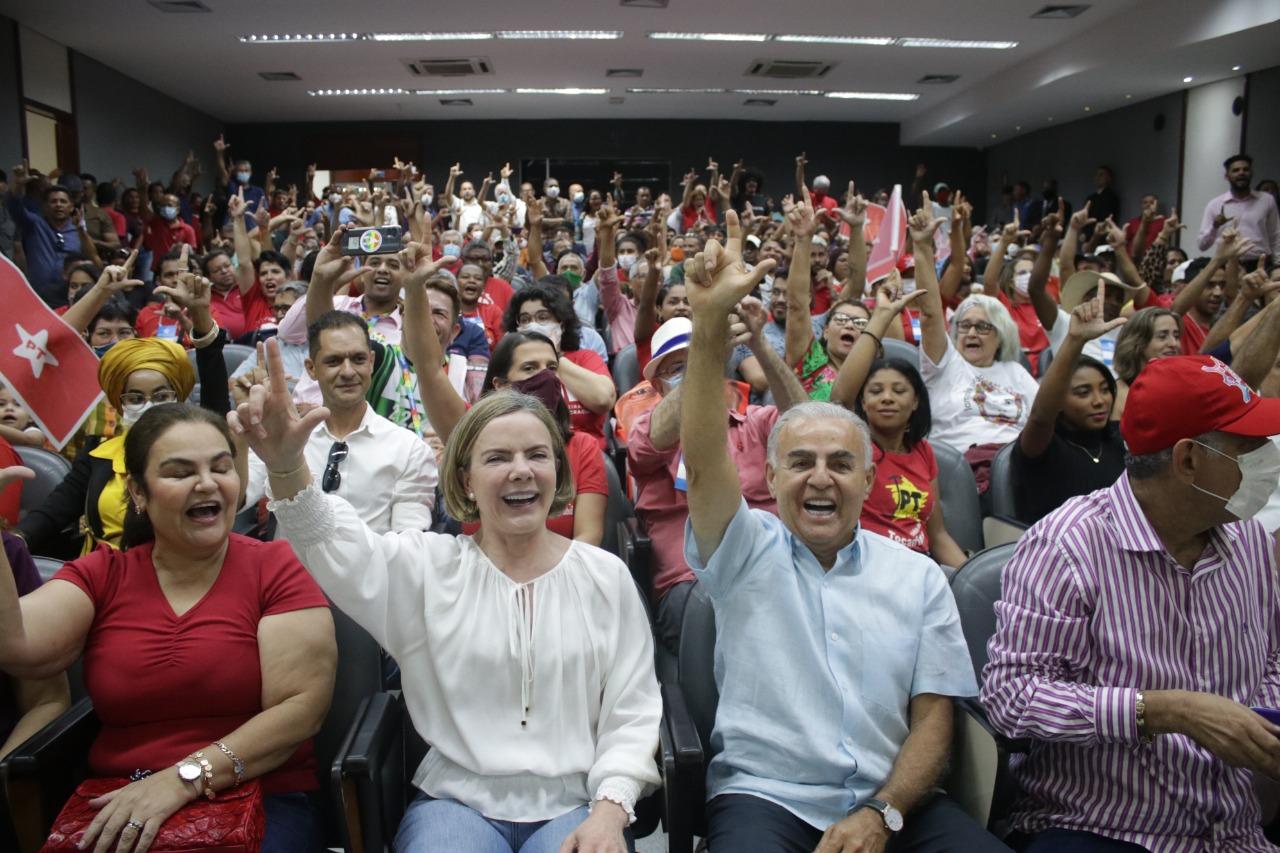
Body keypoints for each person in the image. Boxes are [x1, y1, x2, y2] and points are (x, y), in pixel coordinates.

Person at [232, 337, 662, 853]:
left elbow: (632, 710)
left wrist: (610, 813)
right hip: (455, 804)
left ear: (558, 471)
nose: (521, 470)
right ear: (467, 478)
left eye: (537, 455)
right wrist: (285, 466)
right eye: (498, 457)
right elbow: (331, 540)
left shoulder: (604, 577)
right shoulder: (428, 568)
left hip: (576, 804)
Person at [677, 211, 1007, 853]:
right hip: (766, 798)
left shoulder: (917, 578)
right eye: (800, 462)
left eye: (840, 463)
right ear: (770, 478)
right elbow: (705, 448)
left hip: (895, 802)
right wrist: (710, 325)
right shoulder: (744, 549)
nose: (820, 478)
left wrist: (884, 812)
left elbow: (935, 715)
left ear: (867, 479)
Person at [0, 404, 335, 853]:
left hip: (261, 795)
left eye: (220, 467)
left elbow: (301, 708)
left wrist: (182, 779)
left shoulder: (275, 567)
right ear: (139, 493)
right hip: (122, 799)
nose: (206, 483)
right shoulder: (103, 573)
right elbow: (18, 645)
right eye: (180, 472)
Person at [983, 355, 1280, 852]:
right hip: (1103, 823)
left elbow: (1272, 652)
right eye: (1249, 449)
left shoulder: (1248, 538)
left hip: (1235, 826)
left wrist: (1265, 726)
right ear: (1187, 461)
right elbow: (1011, 698)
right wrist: (1163, 711)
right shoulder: (1069, 545)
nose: (1268, 459)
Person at [18, 272, 237, 557]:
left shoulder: (202, 447)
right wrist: (17, 540)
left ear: (179, 398)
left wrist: (200, 315)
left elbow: (216, 397)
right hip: (102, 575)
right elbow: (54, 511)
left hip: (178, 576)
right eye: (135, 398)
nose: (147, 405)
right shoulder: (100, 451)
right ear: (120, 404)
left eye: (161, 396)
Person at [630, 304, 808, 653]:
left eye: (699, 360)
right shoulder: (649, 426)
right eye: (679, 368)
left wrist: (759, 345)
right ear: (657, 384)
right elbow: (652, 442)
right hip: (693, 586)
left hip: (775, 568)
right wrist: (706, 353)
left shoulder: (755, 420)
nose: (695, 371)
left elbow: (807, 423)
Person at [245, 311, 437, 535]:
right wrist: (245, 431)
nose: (347, 372)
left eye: (358, 359)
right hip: (289, 569)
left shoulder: (409, 449)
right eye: (333, 361)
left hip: (372, 569)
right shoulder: (285, 436)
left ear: (372, 362)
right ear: (311, 368)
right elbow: (239, 495)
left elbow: (410, 544)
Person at [829, 274, 969, 569]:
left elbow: (939, 535)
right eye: (876, 391)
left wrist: (968, 579)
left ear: (916, 401)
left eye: (899, 390)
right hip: (867, 567)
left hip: (922, 570)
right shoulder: (855, 444)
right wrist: (880, 317)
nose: (887, 398)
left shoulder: (924, 452)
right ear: (863, 403)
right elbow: (841, 398)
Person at [913, 195, 1039, 480]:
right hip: (963, 471)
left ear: (1001, 337)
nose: (971, 333)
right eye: (964, 326)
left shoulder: (1016, 372)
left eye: (982, 327)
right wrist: (922, 247)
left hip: (1020, 467)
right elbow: (931, 314)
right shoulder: (946, 364)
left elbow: (1044, 421)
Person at [1010, 286, 1128, 525]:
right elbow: (1041, 417)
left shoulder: (1118, 442)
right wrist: (1075, 340)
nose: (1099, 401)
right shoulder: (1042, 446)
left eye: (1105, 390)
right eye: (1083, 393)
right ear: (1059, 403)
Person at [503, 283, 615, 448]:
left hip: (584, 454)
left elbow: (604, 400)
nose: (533, 325)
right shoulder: (511, 364)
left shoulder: (585, 358)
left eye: (542, 317)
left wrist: (552, 358)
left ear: (561, 325)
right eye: (525, 320)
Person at [783, 199, 874, 401]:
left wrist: (857, 228)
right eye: (841, 320)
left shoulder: (877, 379)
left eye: (859, 323)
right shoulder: (810, 364)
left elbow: (857, 283)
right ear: (825, 330)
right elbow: (797, 306)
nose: (850, 326)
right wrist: (803, 240)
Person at [1197, 154, 1280, 260]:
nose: (1241, 173)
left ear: (1251, 173)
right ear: (1226, 176)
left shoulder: (1266, 200)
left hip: (1260, 263)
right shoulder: (1215, 205)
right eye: (1236, 170)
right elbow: (1202, 246)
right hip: (1226, 263)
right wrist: (1215, 226)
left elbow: (1276, 236)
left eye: (1246, 169)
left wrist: (1278, 265)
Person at [1109, 306, 1181, 419]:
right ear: (1138, 342)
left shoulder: (1181, 388)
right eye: (1162, 336)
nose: (1174, 344)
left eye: (1176, 336)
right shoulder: (1119, 393)